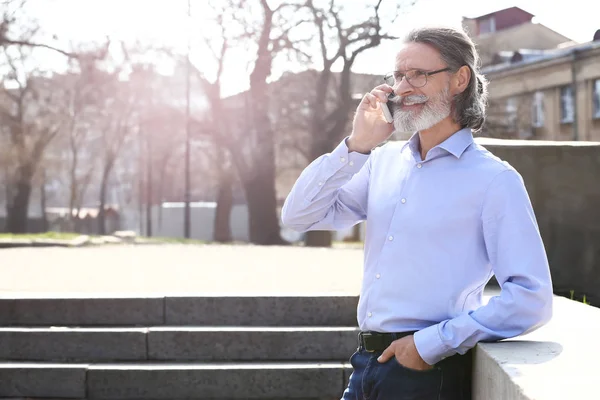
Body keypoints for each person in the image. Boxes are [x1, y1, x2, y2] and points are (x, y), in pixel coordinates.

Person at [280, 26, 553, 400]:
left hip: (427, 373)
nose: (403, 88)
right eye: (398, 76)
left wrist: (430, 344)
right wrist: (355, 145)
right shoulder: (380, 163)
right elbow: (298, 217)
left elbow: (530, 298)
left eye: (419, 75)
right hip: (365, 364)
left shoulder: (495, 180)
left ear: (459, 79)